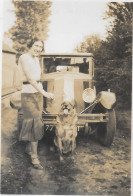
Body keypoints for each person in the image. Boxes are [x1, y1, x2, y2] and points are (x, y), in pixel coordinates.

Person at [18, 37, 54, 169]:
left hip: (37, 94)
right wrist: (45, 93)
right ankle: (34, 157)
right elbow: (30, 79)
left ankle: (29, 149)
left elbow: (38, 81)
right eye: (36, 46)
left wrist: (42, 92)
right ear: (30, 45)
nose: (38, 49)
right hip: (28, 94)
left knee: (37, 121)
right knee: (34, 123)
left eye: (40, 47)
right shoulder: (24, 57)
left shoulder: (36, 59)